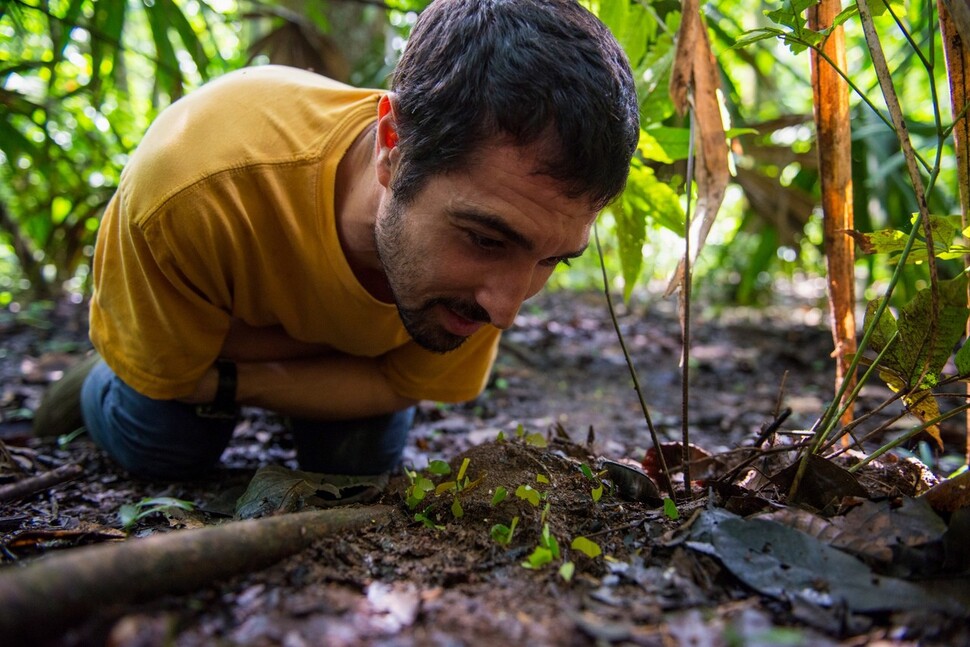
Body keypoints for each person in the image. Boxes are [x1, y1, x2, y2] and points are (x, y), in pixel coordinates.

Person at [41, 0, 639, 482]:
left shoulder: (498, 212)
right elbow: (177, 379)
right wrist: (191, 371)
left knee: (356, 466)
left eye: (552, 260)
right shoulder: (194, 186)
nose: (506, 310)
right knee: (165, 449)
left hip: (230, 352)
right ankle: (107, 364)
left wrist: (227, 378)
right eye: (485, 241)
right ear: (392, 145)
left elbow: (403, 382)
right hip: (207, 339)